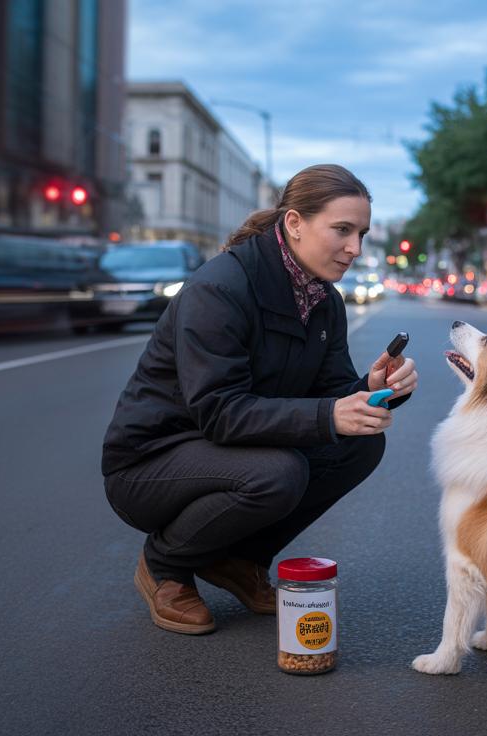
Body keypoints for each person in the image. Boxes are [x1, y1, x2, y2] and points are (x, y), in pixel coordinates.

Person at [102, 164, 418, 634]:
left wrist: (370, 392)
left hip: (229, 448)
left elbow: (327, 397)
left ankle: (238, 560)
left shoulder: (322, 300)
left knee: (360, 443)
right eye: (342, 230)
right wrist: (331, 413)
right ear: (294, 223)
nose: (355, 248)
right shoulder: (220, 289)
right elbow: (219, 412)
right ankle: (164, 565)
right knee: (278, 474)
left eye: (362, 233)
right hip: (152, 464)